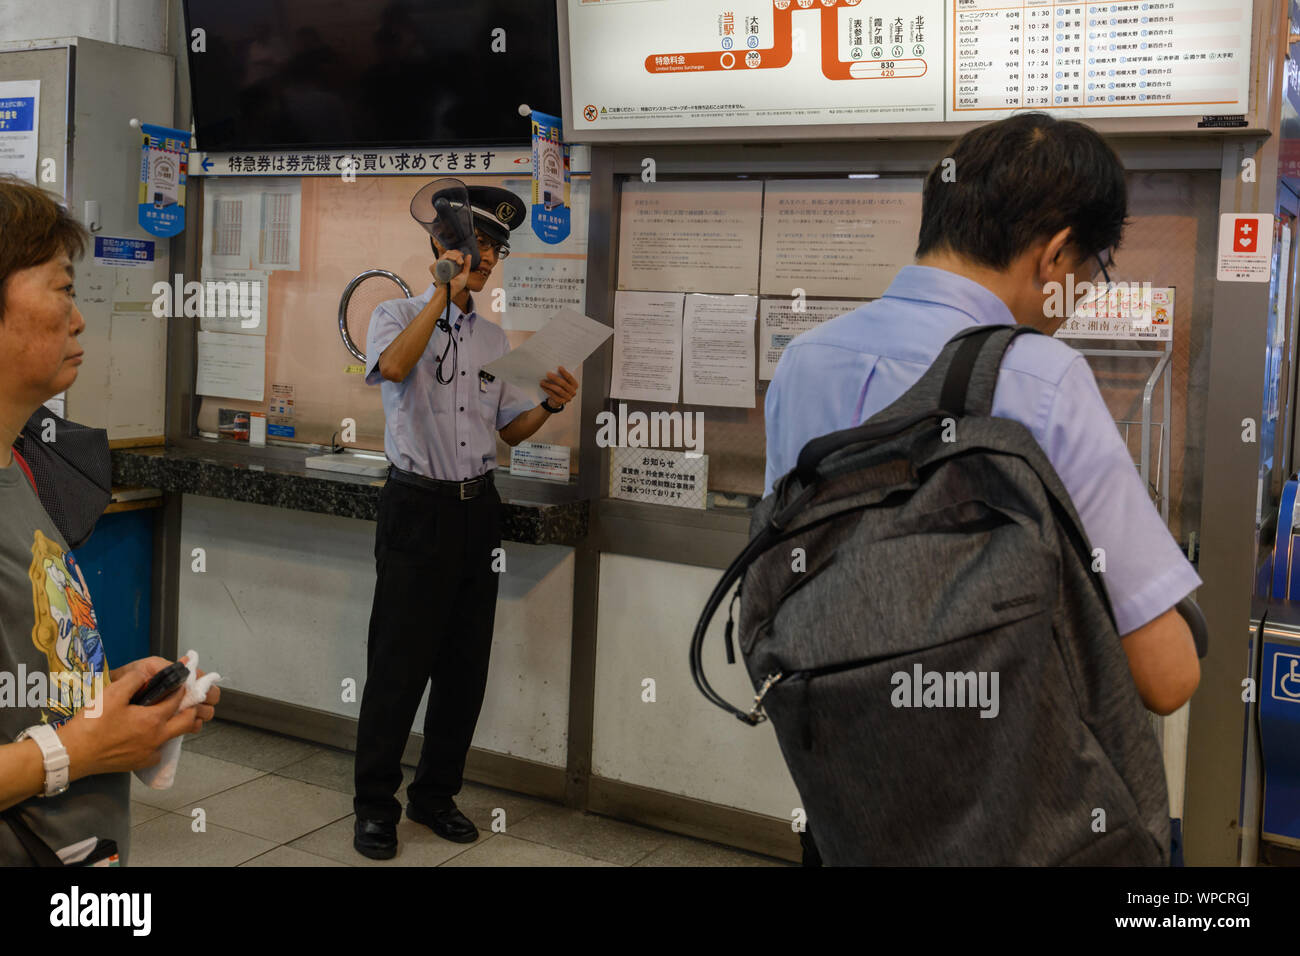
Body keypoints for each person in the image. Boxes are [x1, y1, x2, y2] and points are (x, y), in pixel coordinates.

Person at [765, 116, 1202, 865]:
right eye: (1091, 271)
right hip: (1005, 820)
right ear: (1056, 253)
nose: (1083, 295)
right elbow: (1167, 676)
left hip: (851, 807)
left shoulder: (805, 359)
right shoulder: (1039, 377)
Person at [353, 183, 579, 859]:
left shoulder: (493, 336)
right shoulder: (394, 315)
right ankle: (374, 805)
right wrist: (442, 299)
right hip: (416, 507)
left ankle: (435, 794)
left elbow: (511, 429)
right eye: (474, 244)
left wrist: (551, 404)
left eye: (494, 248)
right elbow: (393, 367)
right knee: (397, 666)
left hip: (477, 510)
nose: (485, 257)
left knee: (463, 667)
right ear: (441, 248)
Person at [0, 175, 219, 865]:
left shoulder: (20, 467)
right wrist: (74, 751)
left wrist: (107, 697)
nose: (80, 315)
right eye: (62, 287)